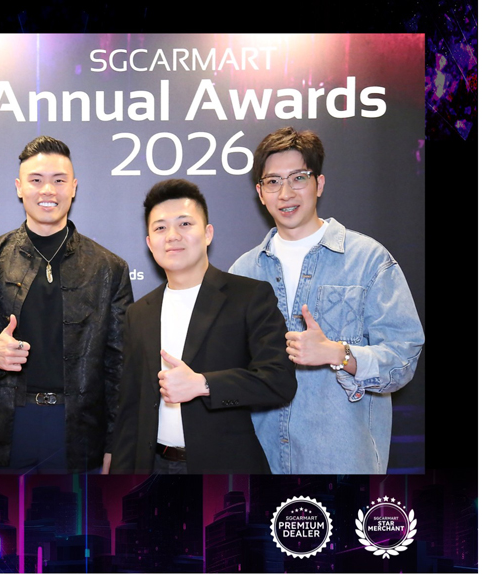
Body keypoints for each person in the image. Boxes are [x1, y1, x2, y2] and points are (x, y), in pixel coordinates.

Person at [229, 127, 425, 474]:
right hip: (261, 463)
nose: (286, 193)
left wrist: (339, 354)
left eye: (298, 178)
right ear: (260, 192)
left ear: (318, 183)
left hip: (342, 466)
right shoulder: (243, 271)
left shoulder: (368, 260)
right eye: (273, 182)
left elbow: (403, 359)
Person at [0, 136, 133, 473]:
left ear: (73, 187)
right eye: (36, 180)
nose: (48, 190)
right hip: (3, 427)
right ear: (19, 188)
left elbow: (119, 365)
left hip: (79, 433)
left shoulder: (109, 268)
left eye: (59, 180)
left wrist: (113, 444)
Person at [110, 179, 296, 474]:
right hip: (152, 466)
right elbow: (130, 407)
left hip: (224, 470)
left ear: (208, 233)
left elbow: (279, 381)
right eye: (160, 228)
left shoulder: (249, 297)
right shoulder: (139, 313)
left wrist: (203, 384)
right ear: (149, 242)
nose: (172, 236)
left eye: (185, 224)